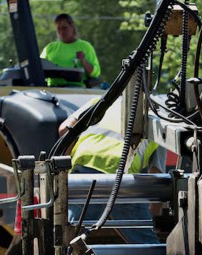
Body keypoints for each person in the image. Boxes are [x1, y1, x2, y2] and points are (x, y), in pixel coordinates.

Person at [59, 98, 166, 244]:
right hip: (125, 183)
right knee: (147, 245)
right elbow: (157, 175)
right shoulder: (160, 121)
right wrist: (154, 217)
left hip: (86, 174)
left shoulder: (103, 100)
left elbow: (65, 129)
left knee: (70, 239)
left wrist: (63, 171)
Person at [40, 13, 101, 88]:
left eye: (64, 28)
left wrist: (83, 61)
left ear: (72, 27)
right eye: (59, 29)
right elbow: (39, 68)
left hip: (75, 89)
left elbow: (95, 73)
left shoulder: (85, 46)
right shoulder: (49, 48)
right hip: (52, 88)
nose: (62, 32)